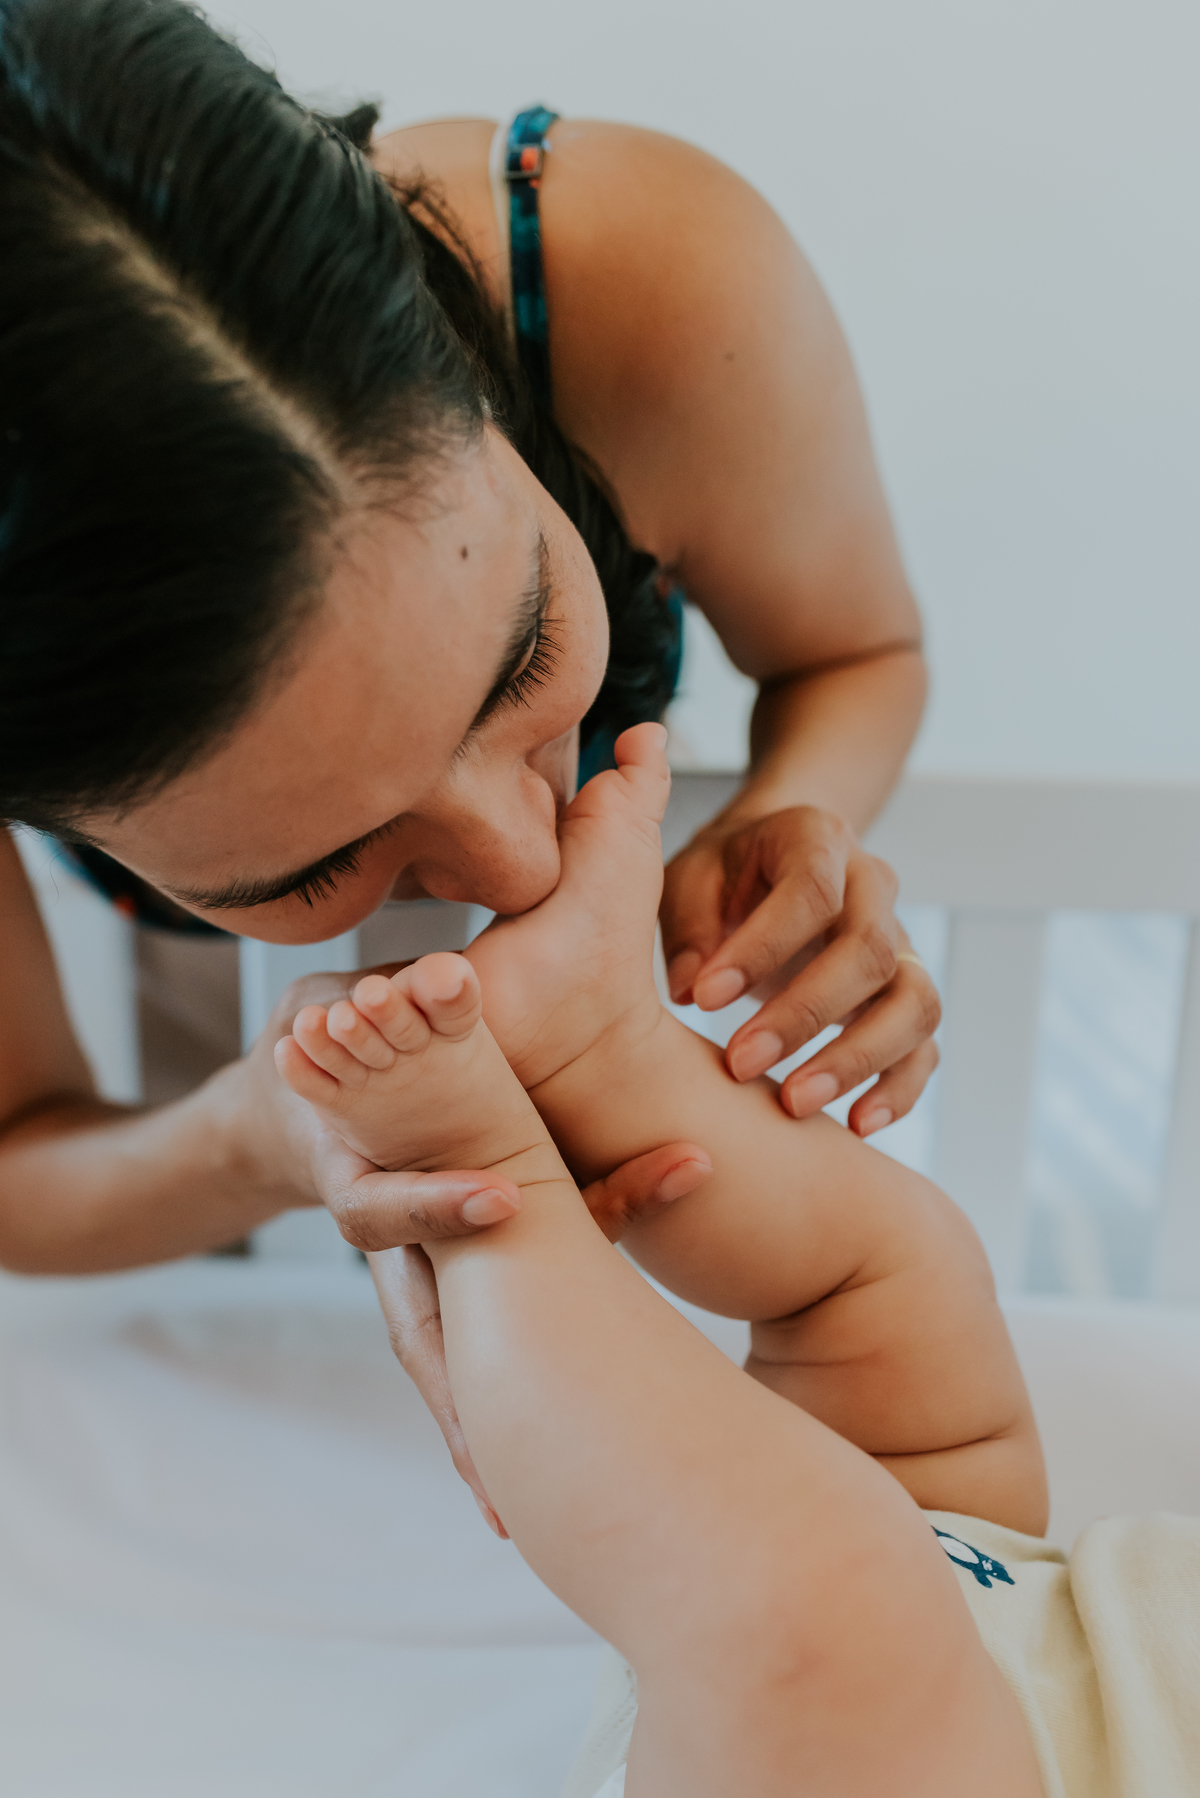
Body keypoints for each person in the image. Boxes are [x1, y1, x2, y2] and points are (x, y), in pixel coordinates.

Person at [0, 1, 930, 1436]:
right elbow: (21, 1162)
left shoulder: (651, 282)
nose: (524, 866)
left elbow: (858, 652)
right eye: (304, 864)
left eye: (528, 652)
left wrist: (785, 819)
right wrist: (266, 1131)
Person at [283, 724, 1200, 1798]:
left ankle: (490, 1178)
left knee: (828, 1598)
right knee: (908, 1277)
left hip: (860, 1732)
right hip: (1038, 1586)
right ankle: (603, 1055)